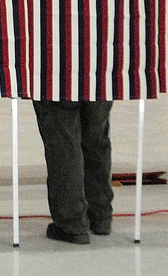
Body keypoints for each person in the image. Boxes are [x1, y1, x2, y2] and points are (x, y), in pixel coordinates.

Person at [32, 100, 114, 245]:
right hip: (101, 80)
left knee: (64, 144)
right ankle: (100, 216)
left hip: (59, 81)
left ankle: (72, 222)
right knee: (96, 140)